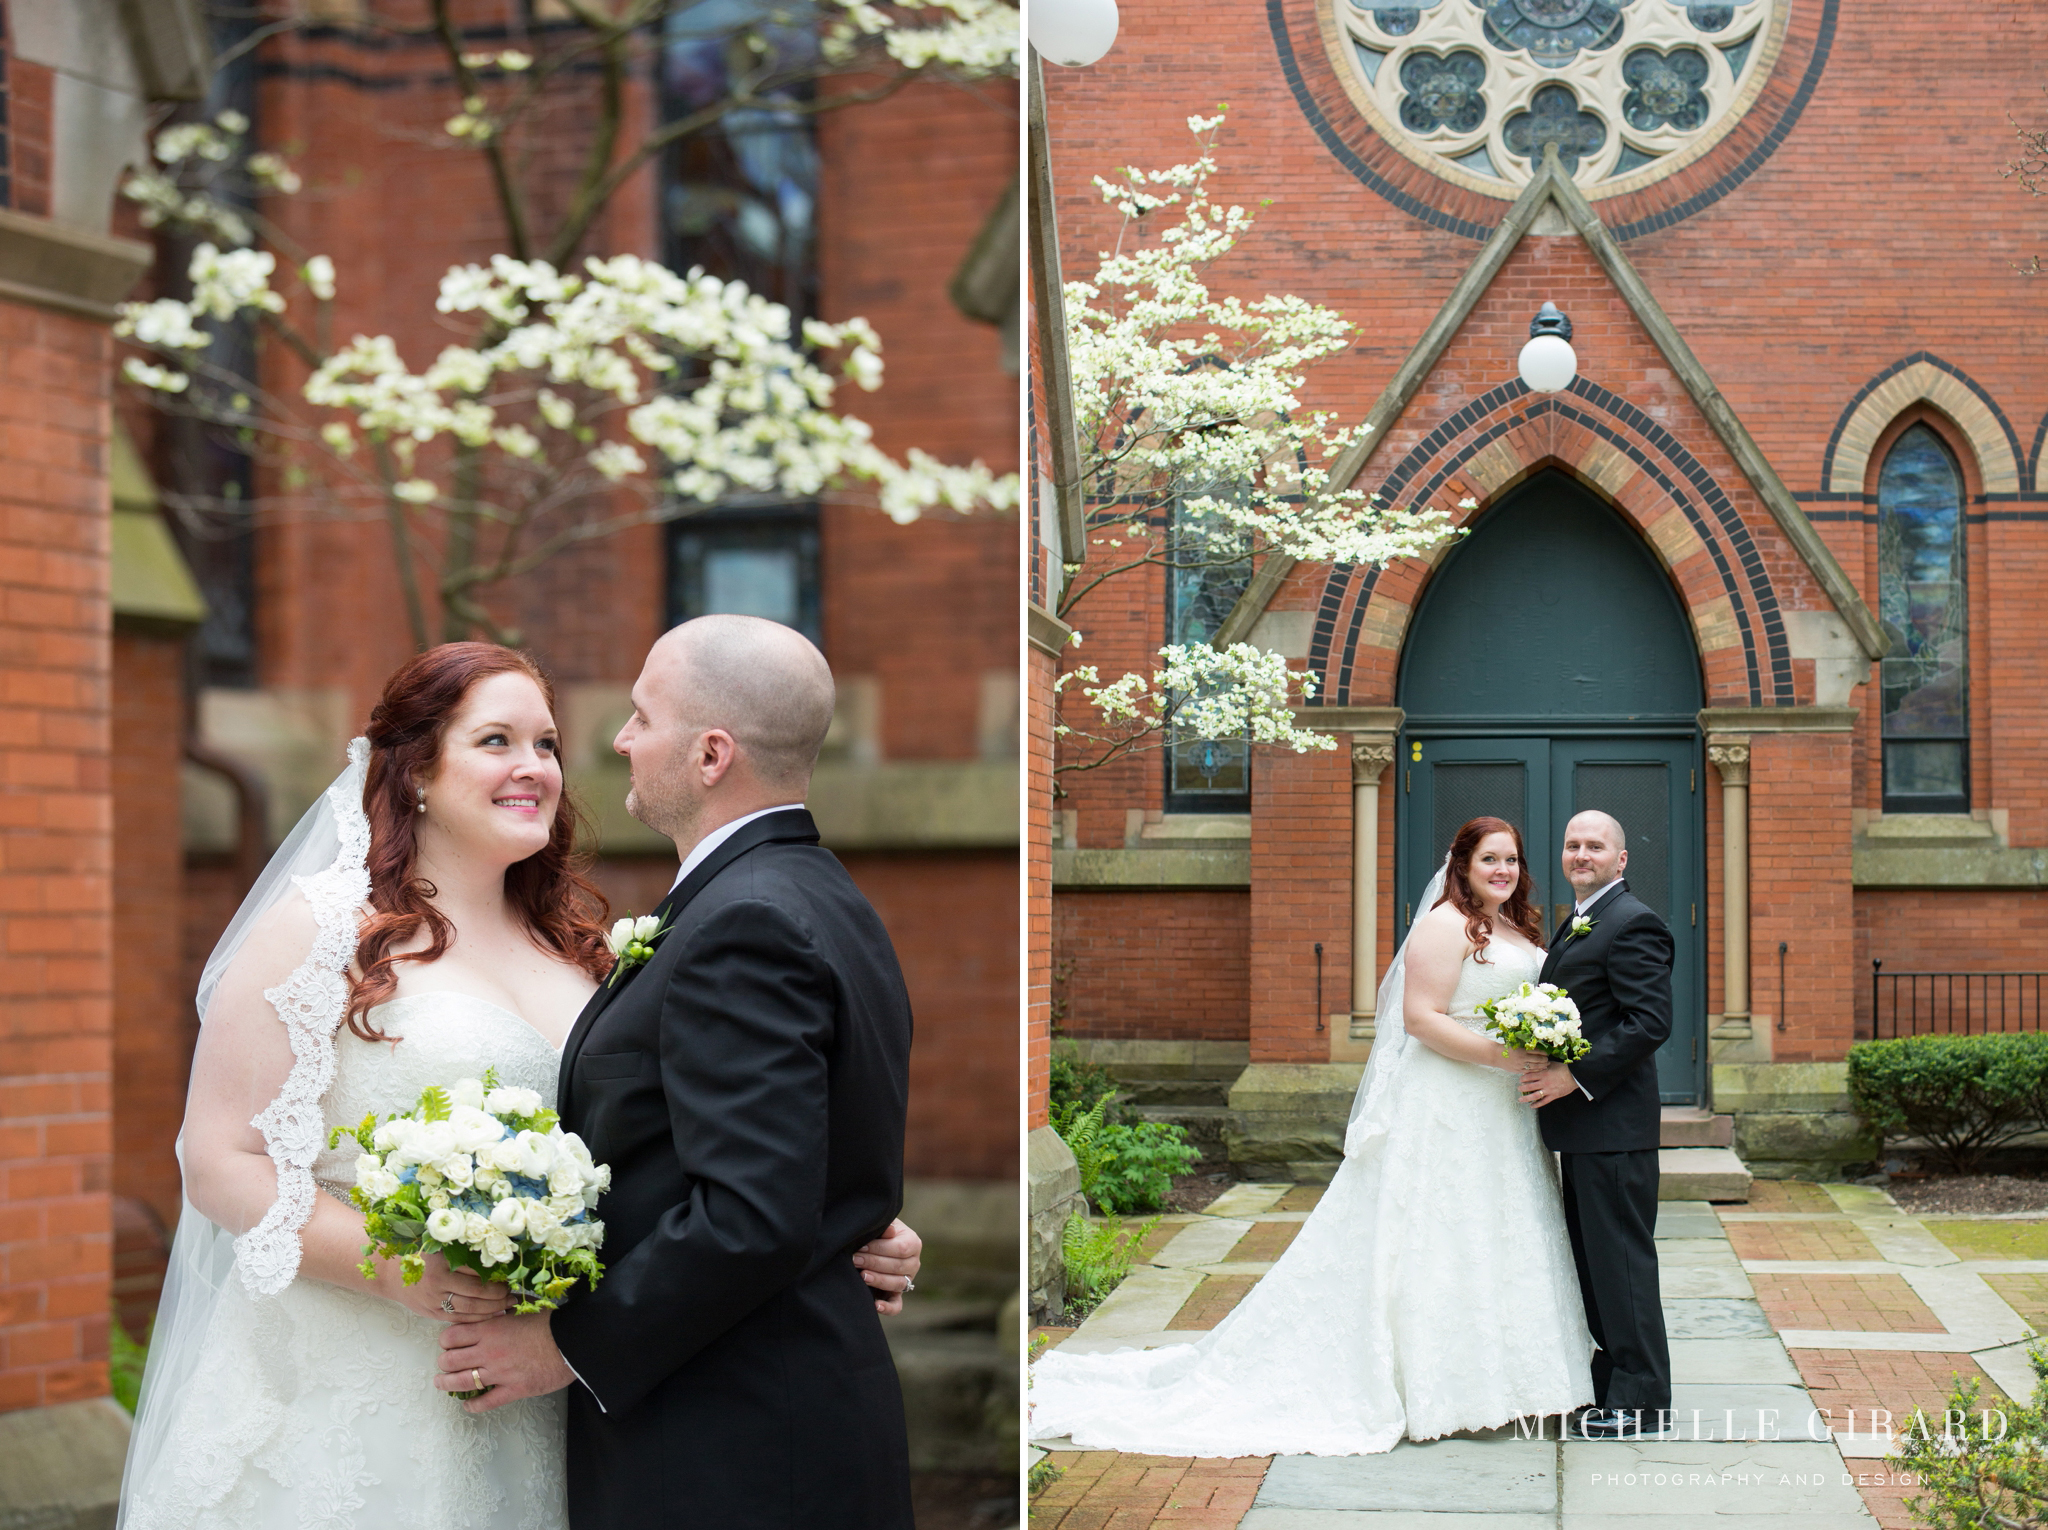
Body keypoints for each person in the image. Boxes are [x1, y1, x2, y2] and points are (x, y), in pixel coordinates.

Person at [117, 641, 921, 1530]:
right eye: (496, 741)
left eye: (544, 744)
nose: (534, 767)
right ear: (416, 768)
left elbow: (688, 1146)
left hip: (546, 1387)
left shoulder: (584, 946)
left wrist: (834, 1219)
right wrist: (402, 1274)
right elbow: (219, 1158)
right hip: (364, 1368)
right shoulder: (319, 932)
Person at [431, 616, 921, 1529]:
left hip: (732, 1453)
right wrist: (853, 1217)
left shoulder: (745, 922)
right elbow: (789, 1157)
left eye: (640, 716)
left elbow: (750, 1216)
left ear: (710, 754)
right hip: (769, 1418)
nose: (617, 741)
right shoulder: (817, 897)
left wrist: (562, 1349)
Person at [1029, 817, 1593, 1456]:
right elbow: (1419, 1018)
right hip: (1450, 1102)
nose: (1503, 870)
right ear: (1461, 864)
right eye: (1489, 859)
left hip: (1503, 1111)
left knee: (1497, 1231)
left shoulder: (1518, 928)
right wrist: (1501, 1054)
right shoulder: (1444, 924)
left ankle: (1506, 1383)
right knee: (1442, 1232)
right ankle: (1438, 1386)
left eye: (1512, 860)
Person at [1517, 809, 1675, 1438]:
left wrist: (1570, 1077)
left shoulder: (1634, 923)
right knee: (1597, 1265)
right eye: (1572, 844)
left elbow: (1648, 1023)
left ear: (1621, 859)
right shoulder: (1585, 919)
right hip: (1586, 1131)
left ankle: (1643, 1405)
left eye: (1595, 846)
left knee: (1623, 1266)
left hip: (1614, 1126)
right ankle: (1612, 1388)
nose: (1581, 854)